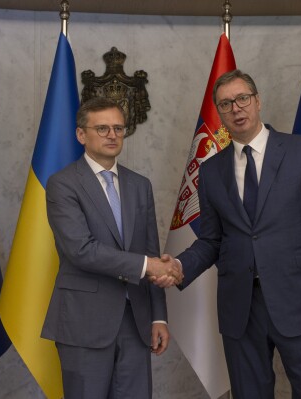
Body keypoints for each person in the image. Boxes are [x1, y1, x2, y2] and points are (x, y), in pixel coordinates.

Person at [171, 70, 301, 398]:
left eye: (242, 99)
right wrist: (179, 267)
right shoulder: (210, 171)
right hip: (241, 310)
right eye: (226, 104)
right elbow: (212, 239)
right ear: (219, 114)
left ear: (257, 101)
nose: (236, 108)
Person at [41, 97, 182, 399]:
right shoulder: (62, 184)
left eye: (118, 128)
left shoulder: (139, 184)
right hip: (84, 323)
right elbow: (80, 249)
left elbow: (150, 249)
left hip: (136, 321)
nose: (112, 135)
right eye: (102, 128)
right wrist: (148, 266)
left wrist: (159, 316)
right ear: (82, 135)